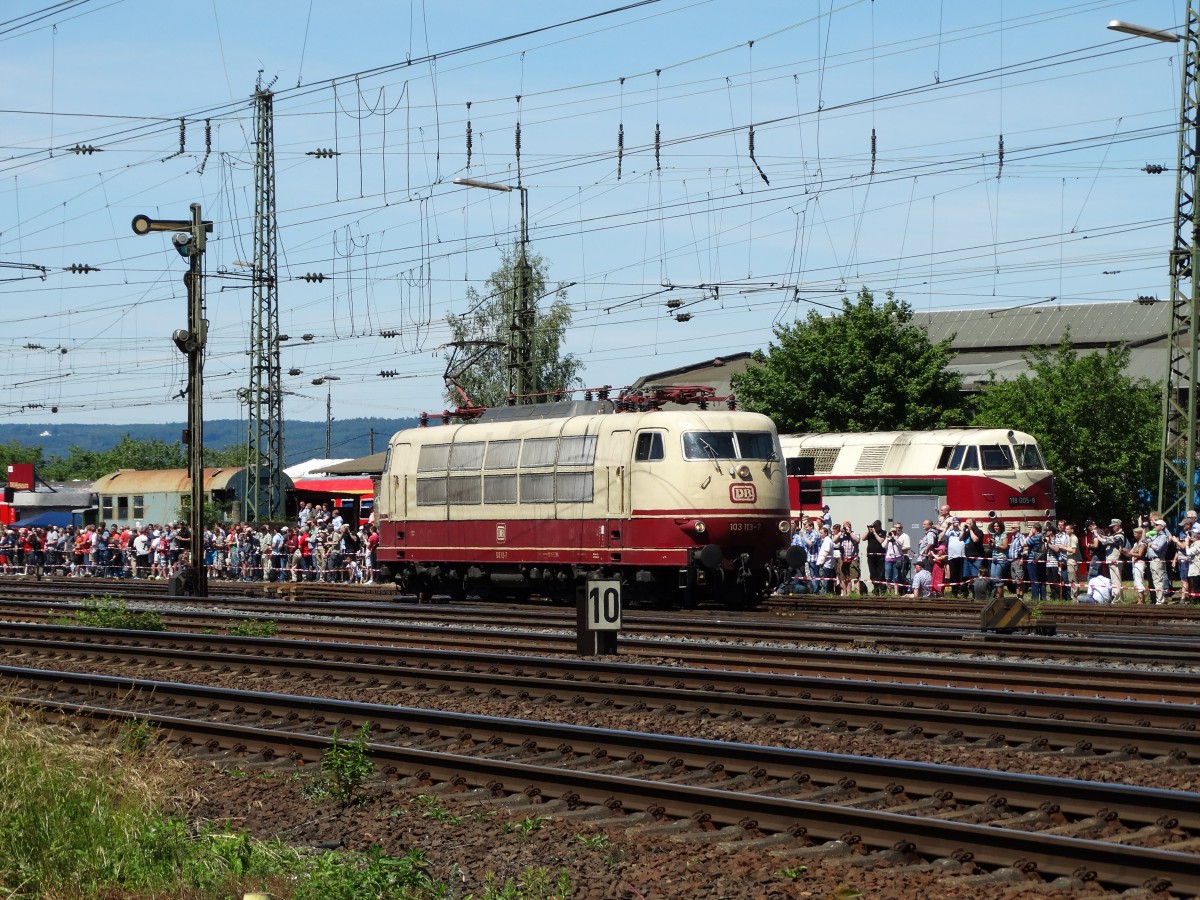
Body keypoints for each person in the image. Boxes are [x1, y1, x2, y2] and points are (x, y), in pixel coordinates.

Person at [1104, 519, 1127, 603]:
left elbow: (1106, 541)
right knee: (1116, 579)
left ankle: (1117, 599)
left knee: (1115, 580)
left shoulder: (1119, 535)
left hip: (1115, 559)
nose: (1112, 528)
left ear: (1118, 525)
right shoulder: (1115, 535)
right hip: (1113, 559)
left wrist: (1098, 536)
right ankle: (1120, 598)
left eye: (1114, 526)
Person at [987, 519, 1009, 599]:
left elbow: (1005, 546)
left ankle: (999, 597)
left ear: (1000, 527)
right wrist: (991, 544)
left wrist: (996, 544)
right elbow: (992, 548)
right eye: (994, 526)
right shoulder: (994, 536)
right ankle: (997, 595)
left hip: (1001, 559)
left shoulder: (1004, 535)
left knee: (998, 578)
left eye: (997, 526)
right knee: (993, 578)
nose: (996, 528)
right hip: (994, 558)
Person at [1126, 527, 1148, 604]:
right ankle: (1141, 599)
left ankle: (1141, 600)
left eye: (1135, 533)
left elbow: (1139, 554)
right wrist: (1124, 552)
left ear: (1140, 534)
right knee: (1136, 581)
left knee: (1139, 581)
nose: (1134, 535)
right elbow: (1129, 553)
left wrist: (1129, 553)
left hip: (1140, 563)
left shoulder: (1143, 544)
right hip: (1135, 563)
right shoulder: (1136, 544)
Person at [864, 520, 886, 595]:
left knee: (881, 575)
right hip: (871, 557)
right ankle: (876, 589)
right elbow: (863, 538)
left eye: (876, 526)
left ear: (879, 526)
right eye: (874, 526)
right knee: (873, 574)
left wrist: (874, 533)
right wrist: (868, 531)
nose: (874, 528)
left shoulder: (883, 532)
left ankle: (883, 591)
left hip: (880, 557)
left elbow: (881, 541)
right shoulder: (870, 533)